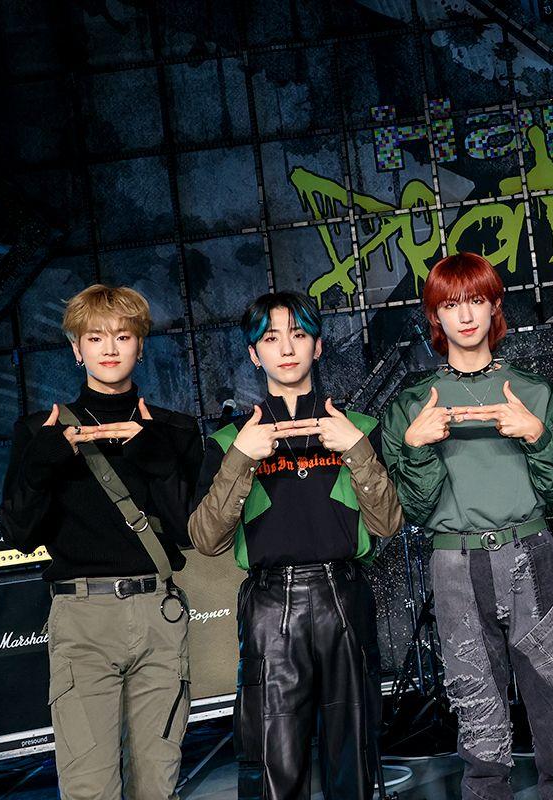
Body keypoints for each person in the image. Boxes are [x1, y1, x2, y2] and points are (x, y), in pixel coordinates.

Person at [380, 252, 553, 800]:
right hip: (456, 564)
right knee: (477, 709)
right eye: (451, 304)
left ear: (495, 306)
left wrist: (537, 436)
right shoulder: (410, 405)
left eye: (476, 300)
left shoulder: (534, 392)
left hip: (532, 554)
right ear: (435, 316)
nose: (465, 315)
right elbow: (414, 509)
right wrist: (417, 446)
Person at [188, 291, 402, 800]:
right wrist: (242, 458)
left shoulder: (358, 428)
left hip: (344, 596)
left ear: (318, 346)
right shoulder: (229, 440)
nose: (286, 348)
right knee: (273, 760)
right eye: (271, 338)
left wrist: (356, 449)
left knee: (353, 755)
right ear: (253, 354)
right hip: (269, 606)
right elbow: (206, 538)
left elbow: (388, 523)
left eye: (299, 335)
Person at [0, 284, 203, 800]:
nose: (109, 348)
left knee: (156, 784)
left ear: (141, 344)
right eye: (95, 337)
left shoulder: (174, 430)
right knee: (89, 787)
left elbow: (191, 533)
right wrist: (43, 463)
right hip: (82, 618)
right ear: (76, 348)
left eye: (123, 336)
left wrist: (156, 458)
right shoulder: (39, 431)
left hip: (159, 614)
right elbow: (20, 535)